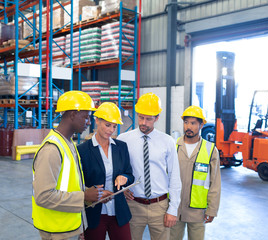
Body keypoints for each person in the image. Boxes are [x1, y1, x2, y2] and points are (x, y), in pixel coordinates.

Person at [32, 91, 108, 240]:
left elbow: (68, 185)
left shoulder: (68, 143)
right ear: (73, 114)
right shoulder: (51, 150)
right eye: (86, 117)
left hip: (70, 226)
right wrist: (84, 196)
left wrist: (90, 194)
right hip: (57, 230)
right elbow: (43, 196)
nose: (88, 122)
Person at [117, 92, 182, 240]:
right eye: (141, 117)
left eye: (148, 119)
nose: (143, 123)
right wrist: (122, 189)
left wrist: (173, 209)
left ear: (157, 117)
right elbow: (118, 171)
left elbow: (174, 176)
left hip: (160, 205)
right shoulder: (123, 140)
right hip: (133, 204)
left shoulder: (168, 141)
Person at [78, 102, 135, 240]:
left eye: (114, 126)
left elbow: (130, 175)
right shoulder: (82, 150)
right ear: (97, 120)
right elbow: (78, 184)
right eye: (107, 125)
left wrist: (124, 178)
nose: (111, 130)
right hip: (94, 213)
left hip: (119, 212)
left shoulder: (121, 147)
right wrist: (95, 193)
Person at [170, 106, 221, 240]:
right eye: (186, 122)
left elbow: (215, 183)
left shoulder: (210, 150)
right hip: (175, 208)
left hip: (197, 211)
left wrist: (212, 210)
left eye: (193, 123)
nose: (188, 126)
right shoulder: (173, 147)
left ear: (201, 125)